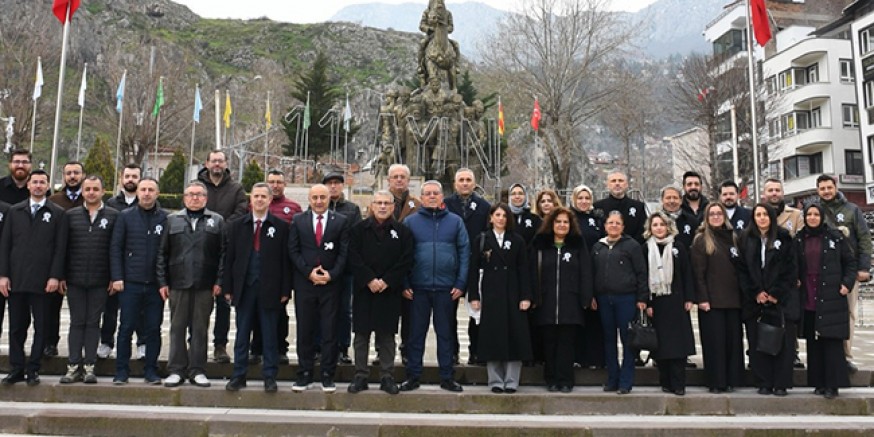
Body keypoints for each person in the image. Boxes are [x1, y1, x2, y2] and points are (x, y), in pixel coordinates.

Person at [399, 180, 469, 393]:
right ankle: (413, 376)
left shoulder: (455, 222)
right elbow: (401, 256)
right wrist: (405, 282)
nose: (431, 196)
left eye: (435, 193)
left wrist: (460, 283)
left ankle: (447, 376)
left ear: (441, 197)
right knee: (415, 334)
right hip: (417, 288)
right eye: (427, 193)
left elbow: (465, 253)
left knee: (445, 333)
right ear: (421, 197)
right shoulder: (410, 222)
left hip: (446, 288)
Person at [224, 183, 292, 393]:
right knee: (242, 333)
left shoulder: (281, 227)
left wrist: (285, 290)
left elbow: (285, 262)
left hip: (270, 288)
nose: (260, 200)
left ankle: (270, 376)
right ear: (250, 199)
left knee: (270, 334)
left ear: (270, 200)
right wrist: (228, 286)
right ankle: (238, 374)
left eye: (264, 196)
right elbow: (229, 259)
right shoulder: (237, 226)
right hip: (244, 287)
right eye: (256, 196)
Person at [157, 182, 225, 388]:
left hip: (205, 284)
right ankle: (176, 369)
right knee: (177, 328)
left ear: (206, 198)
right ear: (184, 198)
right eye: (191, 194)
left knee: (200, 328)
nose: (195, 198)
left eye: (199, 195)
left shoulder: (217, 221)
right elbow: (162, 254)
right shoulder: (172, 220)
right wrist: (162, 282)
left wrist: (219, 281)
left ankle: (197, 369)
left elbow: (223, 254)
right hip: (178, 283)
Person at [0, 170, 64, 386]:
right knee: (17, 327)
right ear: (28, 185)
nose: (38, 185)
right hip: (17, 280)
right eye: (34, 182)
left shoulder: (57, 213)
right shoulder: (14, 212)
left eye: (42, 182)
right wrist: (3, 275)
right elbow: (5, 246)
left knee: (41, 327)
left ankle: (33, 369)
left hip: (43, 282)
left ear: (48, 186)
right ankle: (16, 367)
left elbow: (59, 249)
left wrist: (55, 276)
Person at [347, 191, 414, 394]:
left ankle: (387, 376)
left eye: (387, 203)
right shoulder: (358, 230)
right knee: (361, 335)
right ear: (372, 205)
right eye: (379, 203)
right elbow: (352, 256)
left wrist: (387, 280)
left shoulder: (402, 231)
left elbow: (406, 259)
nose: (383, 206)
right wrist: (369, 279)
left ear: (393, 207)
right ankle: (360, 375)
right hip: (364, 290)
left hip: (389, 291)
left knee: (386, 336)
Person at [288, 184, 350, 393]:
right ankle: (304, 373)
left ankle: (327, 374)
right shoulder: (298, 220)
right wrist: (308, 272)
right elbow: (293, 250)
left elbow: (344, 253)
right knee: (305, 329)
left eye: (322, 197)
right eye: (314, 197)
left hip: (331, 286)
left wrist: (331, 274)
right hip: (305, 284)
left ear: (329, 198)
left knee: (329, 330)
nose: (319, 201)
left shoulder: (340, 221)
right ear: (309, 198)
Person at [59, 176, 119, 384]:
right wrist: (61, 275)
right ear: (82, 192)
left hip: (100, 280)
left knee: (93, 323)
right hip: (75, 280)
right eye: (88, 189)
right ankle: (73, 366)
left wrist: (114, 276)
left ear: (103, 192)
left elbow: (115, 249)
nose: (91, 192)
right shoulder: (71, 215)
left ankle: (90, 366)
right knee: (77, 322)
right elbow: (62, 249)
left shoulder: (113, 216)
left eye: (95, 189)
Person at [468, 203, 532, 393]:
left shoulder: (517, 240)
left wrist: (525, 296)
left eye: (504, 215)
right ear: (491, 217)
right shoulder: (482, 239)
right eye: (497, 215)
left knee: (515, 336)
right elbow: (473, 270)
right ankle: (495, 380)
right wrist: (474, 296)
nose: (501, 219)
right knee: (492, 337)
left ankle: (512, 380)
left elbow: (524, 270)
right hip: (490, 293)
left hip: (512, 293)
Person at [109, 177, 167, 385]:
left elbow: (167, 252)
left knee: (153, 329)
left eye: (151, 190)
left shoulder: (165, 218)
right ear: (138, 192)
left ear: (157, 193)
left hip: (154, 285)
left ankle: (151, 370)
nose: (146, 193)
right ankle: (121, 371)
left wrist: (164, 282)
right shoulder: (125, 217)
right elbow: (116, 248)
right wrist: (117, 277)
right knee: (125, 328)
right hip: (130, 283)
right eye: (143, 189)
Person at [795, 203, 855, 399]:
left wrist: (846, 283)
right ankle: (818, 382)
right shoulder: (798, 239)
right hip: (809, 293)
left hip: (830, 293)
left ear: (822, 217)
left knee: (831, 341)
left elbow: (850, 262)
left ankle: (832, 384)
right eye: (809, 214)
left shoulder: (835, 237)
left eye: (815, 214)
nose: (812, 217)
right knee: (814, 342)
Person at [739, 203, 799, 397]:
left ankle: (781, 383)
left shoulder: (784, 237)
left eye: (765, 214)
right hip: (755, 301)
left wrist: (776, 293)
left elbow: (791, 269)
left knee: (783, 343)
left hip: (780, 301)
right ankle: (763, 381)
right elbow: (742, 270)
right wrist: (756, 292)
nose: (762, 218)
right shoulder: (745, 238)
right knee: (757, 343)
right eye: (758, 214)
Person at [816, 174, 872, 374]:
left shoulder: (852, 210)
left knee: (849, 314)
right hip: (822, 273)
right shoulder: (816, 212)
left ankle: (846, 356)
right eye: (822, 188)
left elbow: (864, 239)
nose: (826, 192)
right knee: (823, 314)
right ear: (817, 191)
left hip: (848, 271)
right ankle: (825, 356)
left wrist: (864, 267)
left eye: (829, 187)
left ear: (835, 187)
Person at [197, 150, 247, 364]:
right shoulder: (197, 187)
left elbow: (241, 212)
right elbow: (191, 208)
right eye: (213, 160)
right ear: (207, 163)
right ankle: (196, 344)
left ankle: (220, 346)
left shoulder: (236, 189)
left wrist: (219, 227)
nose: (217, 164)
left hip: (226, 252)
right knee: (199, 304)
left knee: (223, 304)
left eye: (221, 161)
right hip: (200, 252)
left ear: (226, 164)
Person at [690, 202, 744, 393]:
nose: (715, 217)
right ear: (706, 217)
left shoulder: (734, 237)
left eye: (718, 213)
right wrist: (702, 298)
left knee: (732, 343)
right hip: (711, 302)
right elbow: (698, 273)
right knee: (715, 344)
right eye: (711, 214)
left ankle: (731, 380)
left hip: (733, 301)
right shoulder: (701, 240)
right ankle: (716, 381)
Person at [592, 210, 648, 394]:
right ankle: (612, 379)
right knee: (608, 340)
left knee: (627, 340)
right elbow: (592, 273)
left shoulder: (631, 246)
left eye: (617, 223)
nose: (613, 226)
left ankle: (626, 381)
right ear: (605, 225)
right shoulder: (598, 247)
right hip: (603, 299)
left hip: (626, 298)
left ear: (623, 226)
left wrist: (642, 298)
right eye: (610, 223)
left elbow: (641, 273)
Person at [248, 169, 300, 365]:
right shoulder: (252, 206)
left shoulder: (293, 208)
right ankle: (256, 348)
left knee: (280, 312)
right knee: (254, 311)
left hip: (280, 268)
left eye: (279, 182)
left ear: (284, 184)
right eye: (271, 181)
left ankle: (280, 347)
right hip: (257, 266)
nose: (275, 185)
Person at [642, 211, 696, 396]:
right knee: (662, 346)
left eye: (662, 224)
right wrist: (646, 302)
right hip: (656, 303)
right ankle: (665, 381)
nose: (659, 228)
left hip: (677, 301)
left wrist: (689, 298)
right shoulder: (645, 248)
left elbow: (687, 273)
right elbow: (643, 278)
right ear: (650, 228)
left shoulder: (678, 247)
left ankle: (679, 384)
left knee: (678, 346)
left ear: (668, 227)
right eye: (655, 225)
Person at [444, 168, 490, 365]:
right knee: (448, 314)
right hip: (451, 265)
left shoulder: (484, 206)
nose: (464, 183)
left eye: (468, 180)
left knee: (475, 312)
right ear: (455, 184)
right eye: (461, 180)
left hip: (475, 265)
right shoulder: (446, 205)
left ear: (474, 183)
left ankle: (476, 351)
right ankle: (452, 352)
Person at [101, 163, 145, 360]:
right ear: (121, 178)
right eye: (127, 176)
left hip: (138, 266)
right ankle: (106, 342)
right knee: (110, 309)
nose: (130, 180)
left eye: (135, 176)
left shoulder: (146, 204)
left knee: (138, 310)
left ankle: (142, 343)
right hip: (115, 264)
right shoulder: (110, 204)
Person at [43, 160, 85, 358]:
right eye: (69, 173)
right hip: (57, 261)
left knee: (83, 310)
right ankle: (49, 342)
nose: (72, 176)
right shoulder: (53, 200)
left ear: (82, 175)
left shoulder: (89, 198)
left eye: (76, 173)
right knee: (51, 307)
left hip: (83, 261)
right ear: (64, 176)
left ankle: (86, 346)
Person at [762, 178, 805, 369]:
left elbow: (800, 246)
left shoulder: (795, 215)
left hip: (787, 274)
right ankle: (765, 349)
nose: (774, 193)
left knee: (788, 318)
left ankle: (793, 352)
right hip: (765, 275)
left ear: (782, 192)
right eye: (770, 190)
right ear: (764, 194)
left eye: (777, 190)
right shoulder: (758, 214)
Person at [324, 171, 362, 365]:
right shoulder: (319, 207)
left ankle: (342, 348)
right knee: (323, 311)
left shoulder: (352, 209)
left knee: (344, 311)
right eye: (329, 183)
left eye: (337, 183)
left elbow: (354, 240)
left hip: (345, 270)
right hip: (323, 269)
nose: (333, 187)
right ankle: (322, 347)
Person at [388, 164, 421, 365]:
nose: (399, 180)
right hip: (385, 268)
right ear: (389, 180)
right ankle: (383, 352)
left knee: (409, 316)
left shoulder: (417, 205)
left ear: (408, 181)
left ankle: (406, 350)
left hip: (410, 268)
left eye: (402, 177)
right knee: (386, 316)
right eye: (395, 177)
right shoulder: (380, 202)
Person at [570, 184, 605, 370]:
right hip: (574, 272)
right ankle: (577, 357)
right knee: (577, 317)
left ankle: (595, 358)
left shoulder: (596, 219)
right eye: (580, 198)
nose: (583, 202)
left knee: (595, 318)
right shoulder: (569, 218)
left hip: (595, 271)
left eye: (587, 198)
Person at [594, 171, 647, 245]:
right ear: (608, 185)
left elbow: (642, 232)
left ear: (626, 184)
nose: (617, 183)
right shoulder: (597, 207)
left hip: (631, 252)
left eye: (620, 181)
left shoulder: (638, 207)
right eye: (613, 181)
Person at [661, 185, 697, 250]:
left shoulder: (691, 220)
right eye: (668, 198)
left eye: (675, 198)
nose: (672, 201)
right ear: (662, 200)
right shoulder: (655, 221)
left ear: (681, 200)